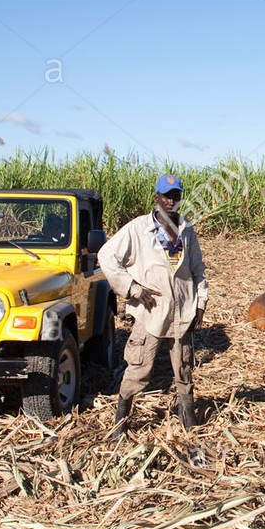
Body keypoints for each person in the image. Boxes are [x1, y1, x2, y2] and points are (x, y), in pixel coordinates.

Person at [98, 173, 208, 437]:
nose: (171, 201)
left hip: (183, 311)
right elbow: (106, 255)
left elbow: (197, 270)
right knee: (139, 368)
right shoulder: (138, 228)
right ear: (156, 197)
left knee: (183, 369)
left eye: (176, 196)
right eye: (166, 196)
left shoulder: (187, 229)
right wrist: (133, 289)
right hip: (151, 312)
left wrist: (201, 303)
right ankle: (120, 423)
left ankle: (188, 421)